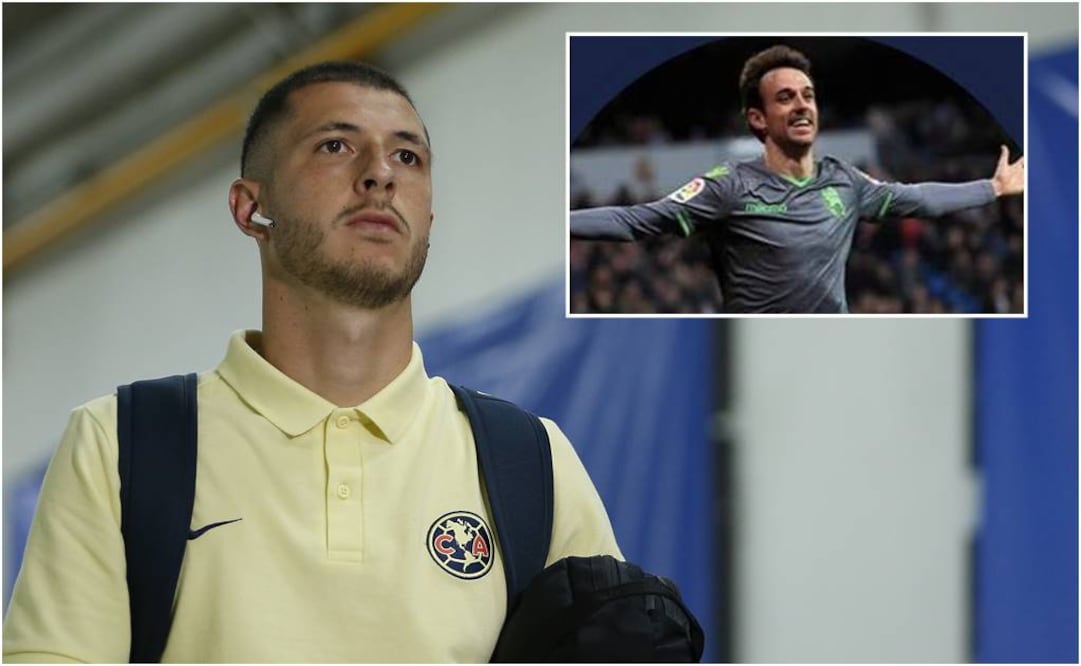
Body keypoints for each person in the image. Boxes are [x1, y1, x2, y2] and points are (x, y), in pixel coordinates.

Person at [3, 61, 622, 662]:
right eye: (335, 147)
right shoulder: (121, 445)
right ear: (251, 209)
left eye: (407, 156)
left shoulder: (533, 461)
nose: (380, 174)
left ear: (429, 218)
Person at [570, 45, 1025, 313]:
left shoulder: (845, 181)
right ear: (758, 118)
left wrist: (991, 188)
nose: (802, 105)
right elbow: (636, 220)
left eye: (808, 95)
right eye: (785, 98)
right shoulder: (728, 185)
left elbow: (917, 199)